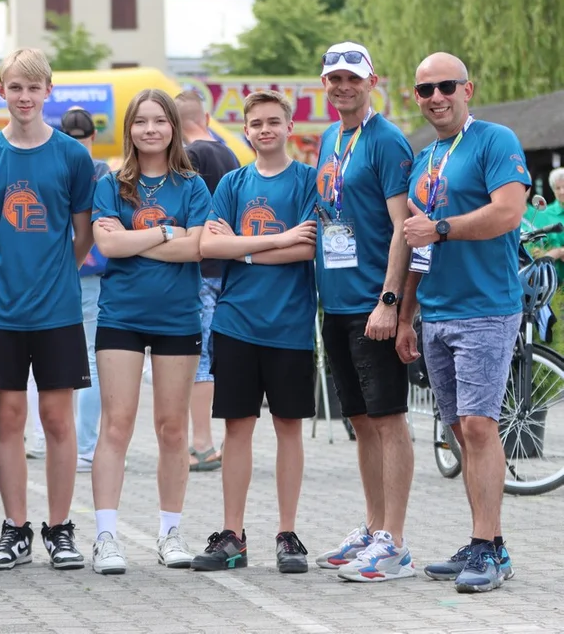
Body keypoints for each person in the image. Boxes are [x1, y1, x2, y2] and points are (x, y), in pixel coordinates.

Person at [0, 48, 94, 571]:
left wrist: (56, 273)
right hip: (1, 312)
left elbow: (81, 237)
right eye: (15, 87)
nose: (25, 97)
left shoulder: (72, 157)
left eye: (34, 88)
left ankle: (59, 528)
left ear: (48, 92)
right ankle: (15, 528)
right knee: (8, 418)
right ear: (1, 92)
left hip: (57, 310)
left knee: (59, 419)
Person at [396, 52, 529, 594]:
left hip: (488, 306)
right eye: (425, 89)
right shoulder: (424, 158)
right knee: (457, 430)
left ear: (467, 89)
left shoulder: (496, 141)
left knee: (478, 425)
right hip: (437, 311)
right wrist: (405, 314)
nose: (436, 97)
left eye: (446, 86)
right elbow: (413, 244)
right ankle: (489, 545)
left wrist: (443, 228)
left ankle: (485, 547)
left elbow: (508, 213)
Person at [192, 90, 318, 575]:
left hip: (289, 326)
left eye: (273, 121)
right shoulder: (232, 183)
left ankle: (287, 534)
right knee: (237, 429)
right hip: (235, 323)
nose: (264, 129)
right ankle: (233, 535)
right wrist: (276, 239)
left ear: (289, 127)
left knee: (289, 428)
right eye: (256, 123)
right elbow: (208, 244)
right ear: (245, 131)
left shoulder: (307, 180)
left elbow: (307, 247)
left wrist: (242, 248)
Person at [88, 89, 210, 575]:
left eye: (160, 121)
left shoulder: (193, 185)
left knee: (172, 428)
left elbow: (199, 247)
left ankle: (169, 531)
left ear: (174, 128)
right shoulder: (112, 183)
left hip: (178, 317)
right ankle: (106, 536)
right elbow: (106, 246)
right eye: (142, 122)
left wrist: (131, 241)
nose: (151, 129)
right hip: (120, 315)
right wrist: (165, 233)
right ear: (130, 129)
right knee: (116, 425)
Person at [310, 42, 418, 582]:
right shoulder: (331, 137)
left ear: (371, 79)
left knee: (388, 420)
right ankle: (375, 527)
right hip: (337, 303)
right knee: (359, 420)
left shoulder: (387, 140)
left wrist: (391, 302)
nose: (343, 86)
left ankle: (395, 543)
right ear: (323, 83)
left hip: (374, 305)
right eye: (334, 78)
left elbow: (405, 225)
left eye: (353, 77)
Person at [25, 107, 109, 472]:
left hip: (47, 275)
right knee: (90, 358)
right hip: (90, 274)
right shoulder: (103, 173)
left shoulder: (48, 165)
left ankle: (40, 436)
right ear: (92, 137)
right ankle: (86, 447)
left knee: (35, 358)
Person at [175, 89, 239, 472]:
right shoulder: (228, 153)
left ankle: (201, 443)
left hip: (199, 266)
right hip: (226, 267)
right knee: (213, 355)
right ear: (207, 118)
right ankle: (209, 439)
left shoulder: (191, 156)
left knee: (197, 356)